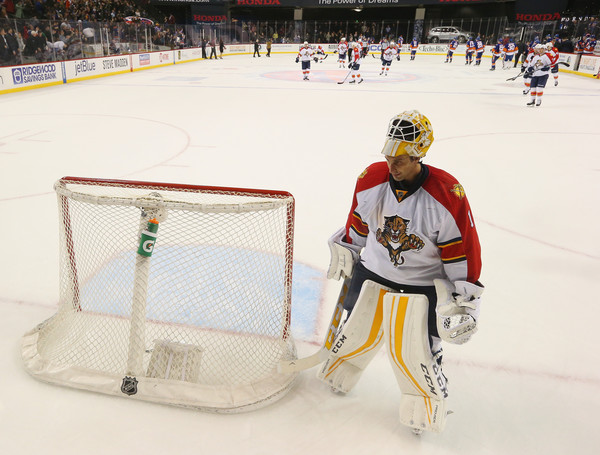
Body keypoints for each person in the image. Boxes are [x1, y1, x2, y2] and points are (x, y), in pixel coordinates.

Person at [317, 109, 483, 434]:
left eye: (401, 159)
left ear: (419, 155)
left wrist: (464, 300)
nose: (392, 164)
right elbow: (358, 222)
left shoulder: (447, 194)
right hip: (373, 271)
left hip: (423, 285)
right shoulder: (371, 179)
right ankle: (342, 369)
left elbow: (462, 252)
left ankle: (426, 398)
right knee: (354, 331)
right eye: (389, 154)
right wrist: (348, 248)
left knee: (419, 349)